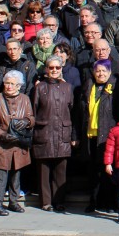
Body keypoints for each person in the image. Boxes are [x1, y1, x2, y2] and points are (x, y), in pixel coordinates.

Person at [0, 69, 35, 216]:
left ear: (19, 85)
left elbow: (31, 117)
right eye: (7, 83)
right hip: (1, 144)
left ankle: (13, 202)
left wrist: (26, 121)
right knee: (0, 176)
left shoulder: (25, 99)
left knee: (16, 174)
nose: (9, 86)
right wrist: (2, 135)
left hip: (18, 144)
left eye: (12, 84)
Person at [32, 56, 76, 212]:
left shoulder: (68, 88)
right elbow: (34, 110)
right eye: (51, 68)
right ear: (46, 70)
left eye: (57, 68)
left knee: (60, 171)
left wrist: (73, 136)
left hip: (63, 132)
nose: (54, 70)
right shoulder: (40, 88)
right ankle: (46, 202)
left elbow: (72, 112)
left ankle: (59, 201)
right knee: (44, 171)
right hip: (44, 132)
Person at [78, 60, 118, 214]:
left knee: (108, 171)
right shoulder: (89, 87)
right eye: (98, 71)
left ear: (109, 72)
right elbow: (80, 112)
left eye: (104, 71)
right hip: (91, 135)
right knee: (93, 172)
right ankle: (93, 201)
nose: (101, 74)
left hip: (107, 134)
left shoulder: (113, 88)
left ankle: (109, 202)